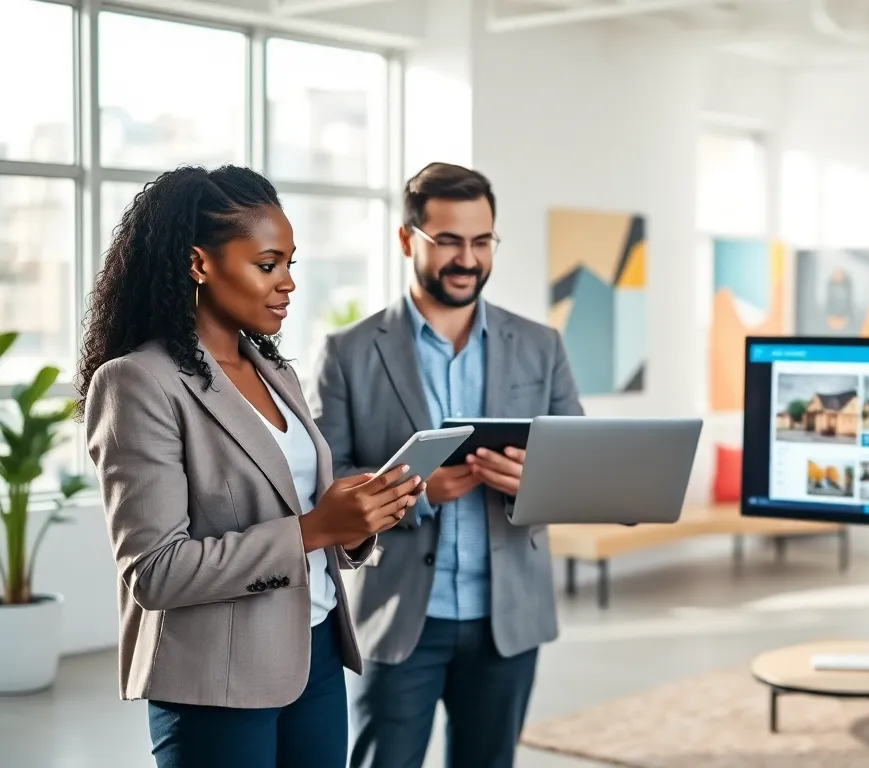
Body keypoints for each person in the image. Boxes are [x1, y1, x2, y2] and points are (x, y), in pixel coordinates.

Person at [77, 165, 426, 768]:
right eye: (267, 265)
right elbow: (155, 572)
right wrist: (314, 529)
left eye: (290, 263)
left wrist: (355, 521)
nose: (287, 283)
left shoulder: (277, 373)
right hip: (216, 680)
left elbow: (302, 517)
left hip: (315, 654)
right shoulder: (137, 382)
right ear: (199, 264)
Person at [309, 162, 584, 768]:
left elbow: (577, 467)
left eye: (482, 241)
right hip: (399, 614)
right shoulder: (347, 352)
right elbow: (324, 484)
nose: (467, 258)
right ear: (407, 240)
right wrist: (418, 491)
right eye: (449, 241)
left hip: (508, 619)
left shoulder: (541, 345)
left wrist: (534, 483)